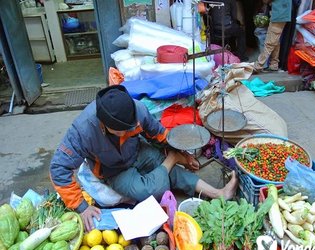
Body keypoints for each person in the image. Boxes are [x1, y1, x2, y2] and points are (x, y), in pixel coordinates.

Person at [50, 85, 238, 231]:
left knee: (171, 172)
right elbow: (59, 169)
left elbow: (158, 132)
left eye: (133, 127)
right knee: (150, 190)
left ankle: (217, 193)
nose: (132, 129)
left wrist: (182, 152)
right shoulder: (83, 130)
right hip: (113, 170)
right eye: (124, 129)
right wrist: (81, 207)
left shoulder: (136, 109)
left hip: (137, 151)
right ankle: (171, 160)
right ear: (104, 126)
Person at [253, 0, 292, 72]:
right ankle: (274, 64)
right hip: (280, 13)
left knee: (270, 42)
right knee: (275, 40)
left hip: (279, 13)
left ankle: (258, 66)